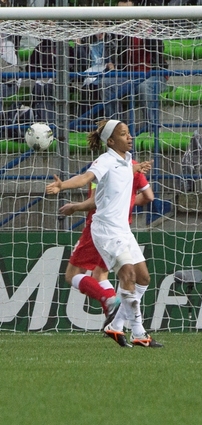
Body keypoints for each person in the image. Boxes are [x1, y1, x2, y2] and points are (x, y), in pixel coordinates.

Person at [46, 119, 162, 348]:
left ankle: (116, 326)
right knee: (127, 274)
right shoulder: (106, 160)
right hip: (106, 229)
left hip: (123, 228)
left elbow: (126, 172)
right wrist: (63, 186)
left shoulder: (126, 159)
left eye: (129, 133)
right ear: (110, 141)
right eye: (123, 134)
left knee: (144, 278)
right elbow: (86, 178)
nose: (129, 137)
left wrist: (137, 168)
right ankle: (139, 333)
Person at [58, 159, 154, 331]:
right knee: (100, 275)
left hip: (99, 228)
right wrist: (129, 201)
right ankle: (115, 323)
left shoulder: (103, 165)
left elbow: (95, 201)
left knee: (71, 275)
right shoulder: (134, 166)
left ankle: (109, 301)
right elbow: (149, 197)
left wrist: (74, 206)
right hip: (122, 228)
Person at [101, 0, 168, 134]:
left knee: (143, 87)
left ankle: (153, 127)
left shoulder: (151, 29)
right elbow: (111, 55)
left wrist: (148, 31)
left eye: (126, 12)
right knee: (106, 84)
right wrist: (112, 65)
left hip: (153, 75)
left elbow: (159, 50)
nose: (122, 17)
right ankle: (117, 129)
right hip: (128, 76)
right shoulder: (118, 32)